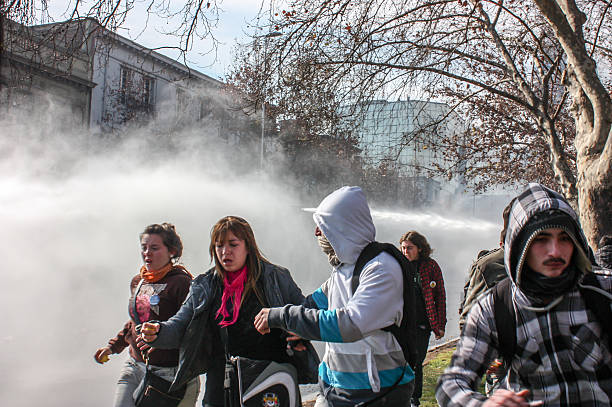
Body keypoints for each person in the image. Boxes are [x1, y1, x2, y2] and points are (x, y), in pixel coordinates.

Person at [436, 183, 612, 406]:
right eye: (541, 239)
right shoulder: (494, 308)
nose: (555, 251)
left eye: (564, 238)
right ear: (519, 246)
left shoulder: (603, 290)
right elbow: (451, 383)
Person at [254, 186, 414, 407]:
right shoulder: (343, 270)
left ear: (344, 228)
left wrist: (282, 316)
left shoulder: (381, 269)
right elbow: (312, 305)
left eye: (323, 227)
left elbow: (348, 324)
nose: (317, 233)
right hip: (335, 392)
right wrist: (296, 332)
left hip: (377, 395)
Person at [138, 216, 311, 407]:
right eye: (219, 246)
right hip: (220, 384)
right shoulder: (205, 284)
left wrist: (299, 333)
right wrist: (157, 332)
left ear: (248, 247)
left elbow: (304, 314)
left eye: (233, 244)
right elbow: (180, 325)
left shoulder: (275, 278)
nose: (225, 251)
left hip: (267, 380)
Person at [93, 223, 199, 407]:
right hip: (134, 365)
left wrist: (160, 340)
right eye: (144, 248)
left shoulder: (182, 283)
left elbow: (191, 328)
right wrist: (112, 347)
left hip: (167, 373)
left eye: (154, 248)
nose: (147, 253)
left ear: (171, 251)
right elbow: (136, 321)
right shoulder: (138, 281)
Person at [399, 231, 446, 407]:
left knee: (416, 362)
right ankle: (398, 398)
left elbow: (440, 296)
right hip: (401, 324)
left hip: (421, 325)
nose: (405, 251)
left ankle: (414, 400)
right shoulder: (398, 265)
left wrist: (440, 325)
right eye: (403, 248)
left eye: (409, 248)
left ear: (419, 248)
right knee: (400, 362)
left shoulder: (430, 267)